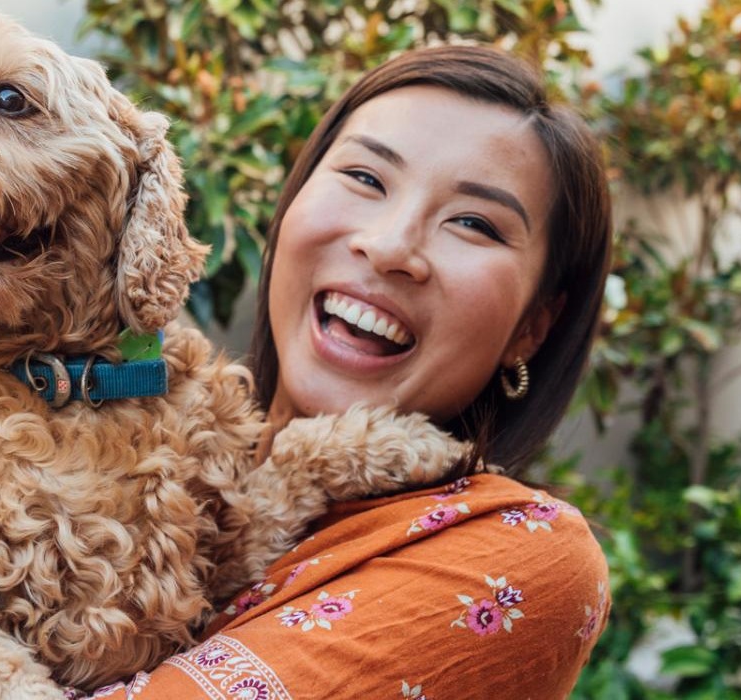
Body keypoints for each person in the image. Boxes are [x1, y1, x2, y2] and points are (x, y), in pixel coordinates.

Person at [76, 44, 614, 699]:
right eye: (365, 178)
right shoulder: (122, 448)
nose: (390, 246)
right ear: (287, 213)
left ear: (533, 327)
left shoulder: (523, 553)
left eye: (473, 223)